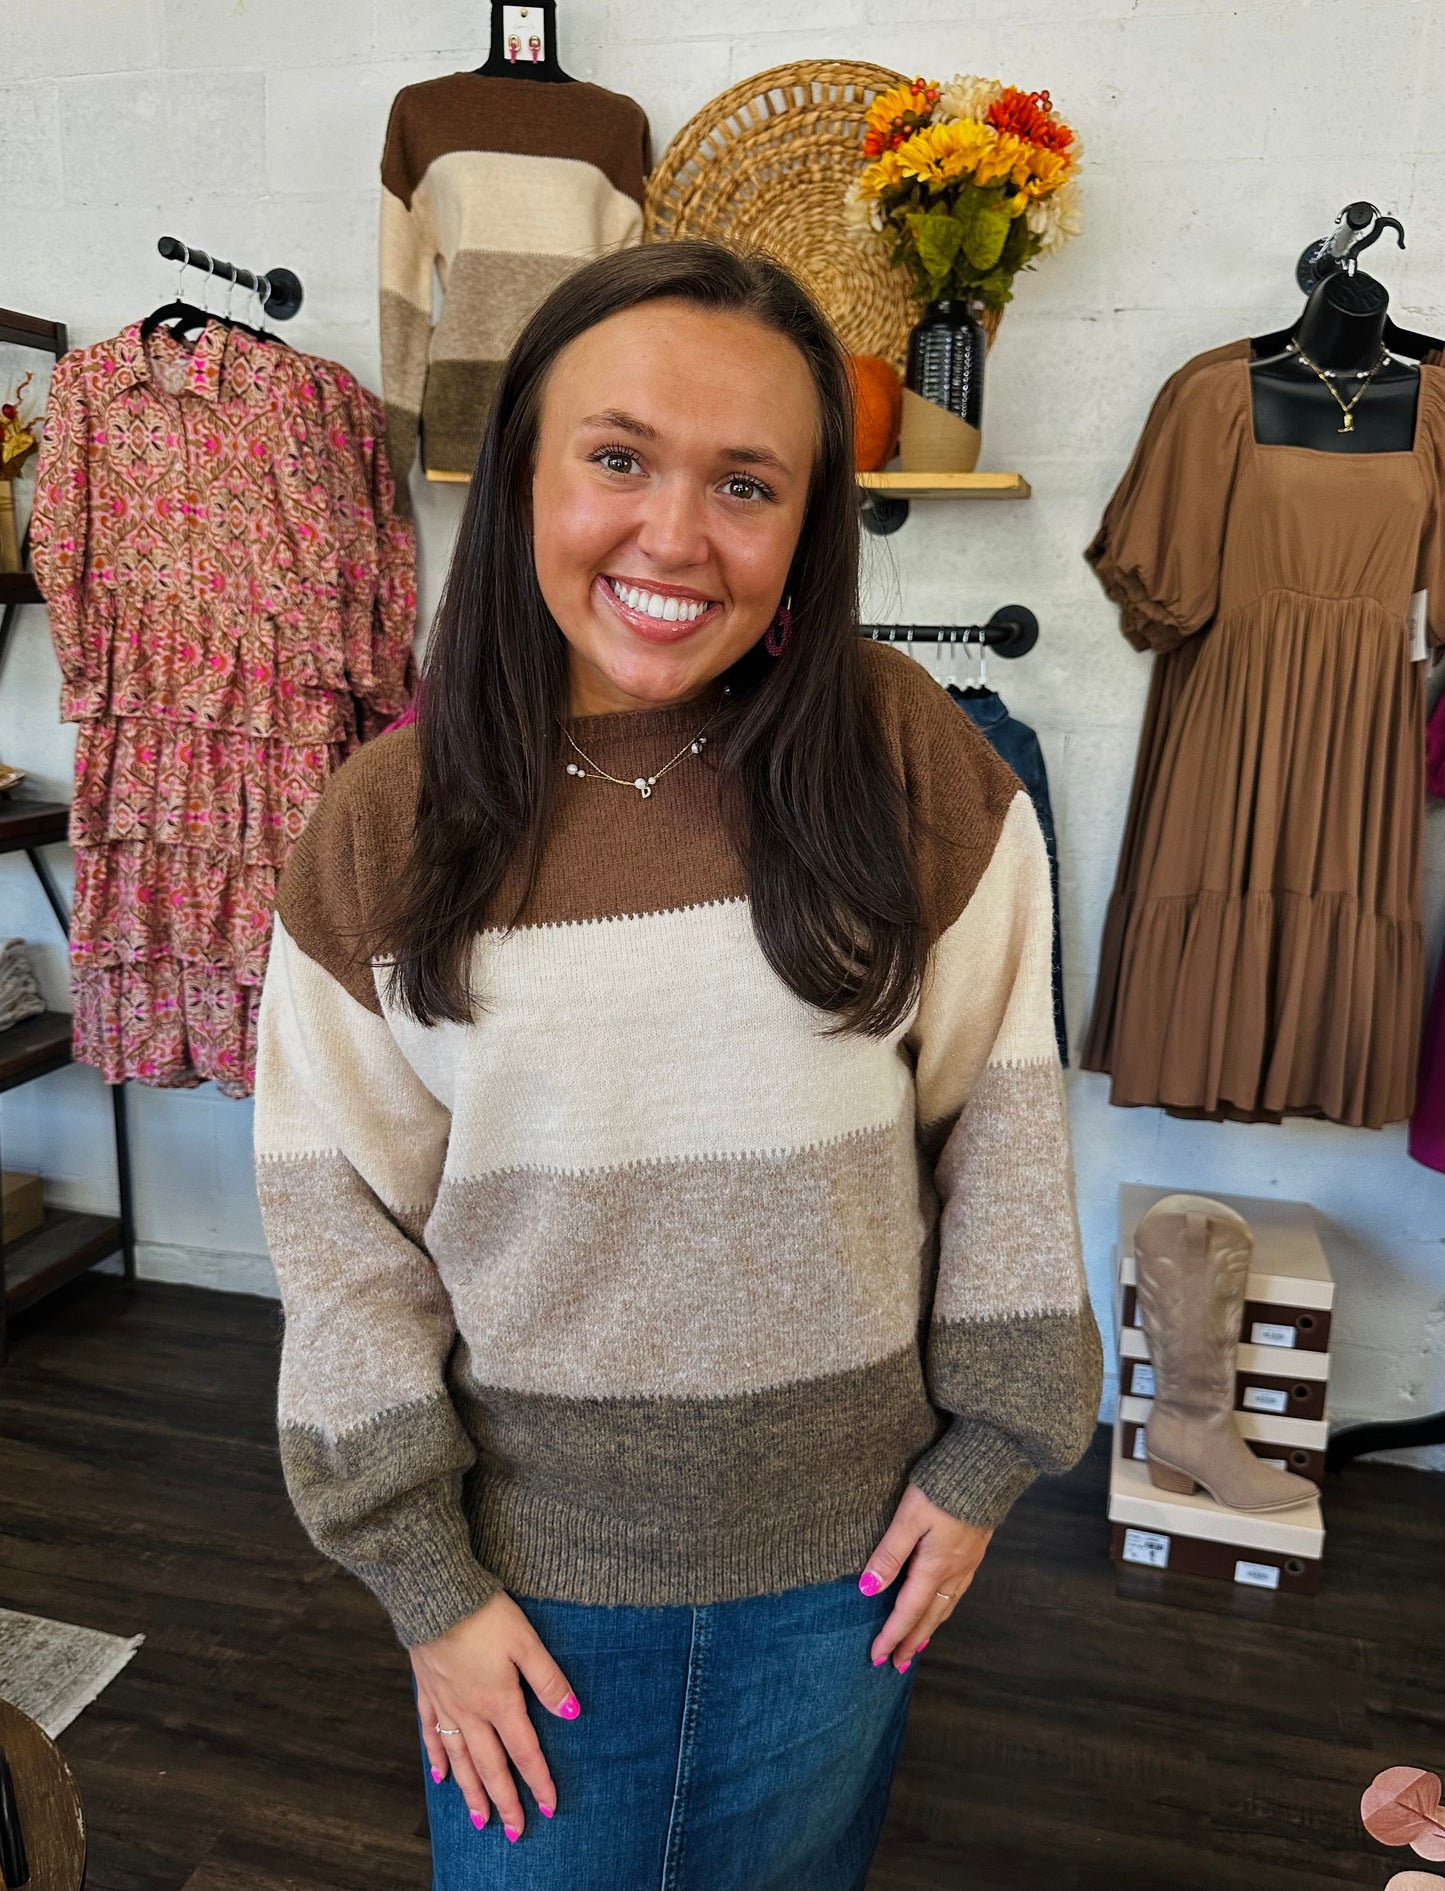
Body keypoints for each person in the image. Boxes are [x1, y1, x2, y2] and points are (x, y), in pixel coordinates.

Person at [252, 239, 1102, 1891]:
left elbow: (999, 1134)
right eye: (618, 458)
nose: (672, 537)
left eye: (745, 484)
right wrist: (424, 1583)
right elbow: (338, 1231)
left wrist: (992, 1455)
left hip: (851, 1576)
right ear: (517, 479)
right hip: (531, 1598)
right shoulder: (381, 829)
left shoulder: (914, 766)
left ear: (807, 527)